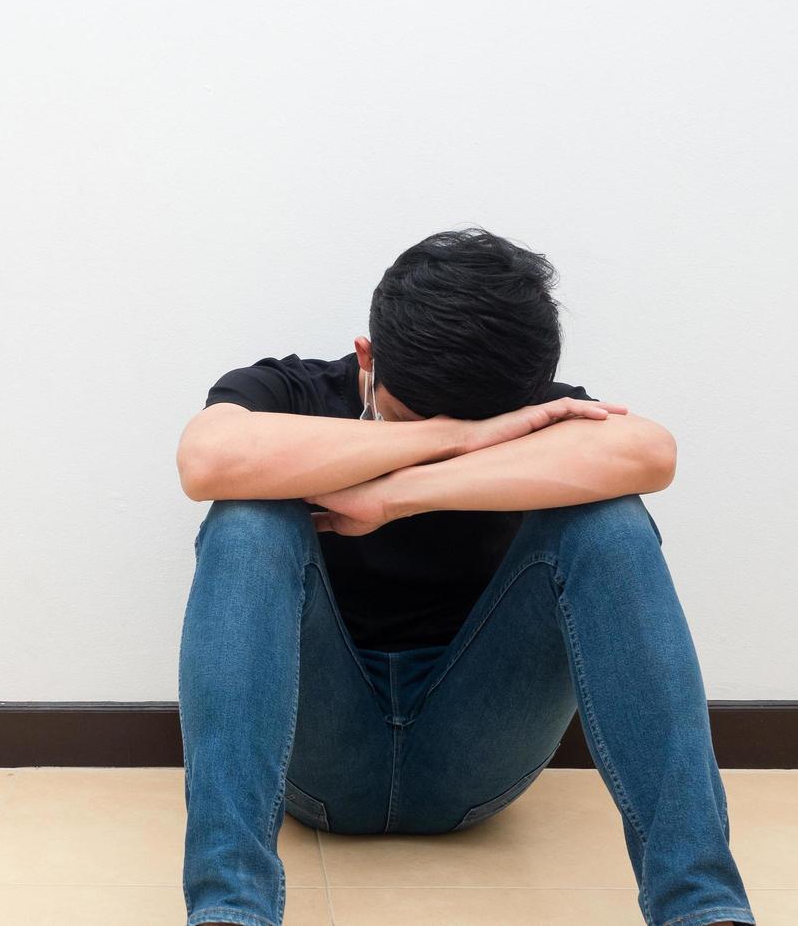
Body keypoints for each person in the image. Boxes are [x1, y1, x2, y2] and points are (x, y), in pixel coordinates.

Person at [173, 228, 755, 926]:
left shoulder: (528, 406)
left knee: (609, 523)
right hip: (317, 757)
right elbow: (205, 459)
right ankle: (229, 911)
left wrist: (397, 495)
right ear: (367, 357)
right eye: (419, 413)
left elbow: (651, 453)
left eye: (480, 422)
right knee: (246, 521)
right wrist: (454, 439)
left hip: (476, 755)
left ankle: (703, 909)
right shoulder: (293, 390)